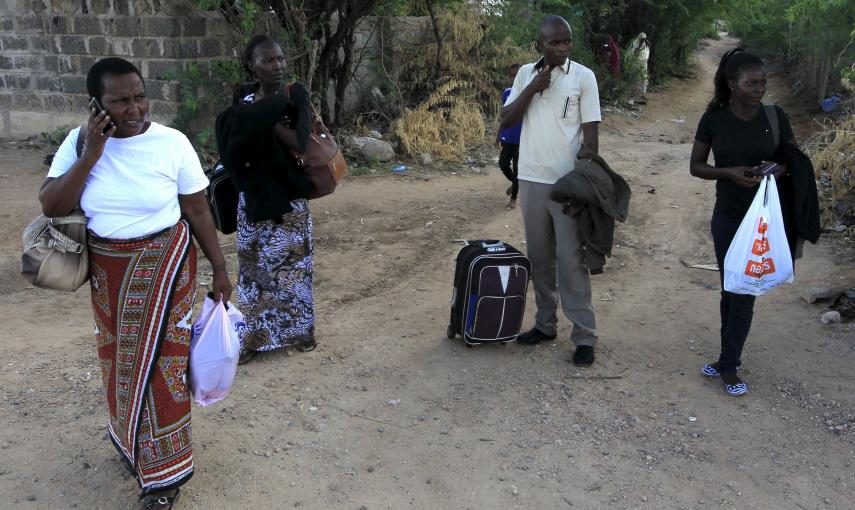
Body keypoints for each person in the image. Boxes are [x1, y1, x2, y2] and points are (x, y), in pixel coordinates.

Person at [39, 57, 232, 509]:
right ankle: (131, 442)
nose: (134, 108)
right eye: (119, 100)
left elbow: (199, 210)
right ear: (95, 105)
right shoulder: (77, 143)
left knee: (165, 370)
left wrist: (220, 268)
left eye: (140, 96)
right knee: (121, 364)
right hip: (109, 276)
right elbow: (52, 204)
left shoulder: (173, 143)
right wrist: (91, 154)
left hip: (167, 268)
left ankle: (166, 476)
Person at [690, 48, 804, 396]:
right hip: (728, 216)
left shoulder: (774, 115)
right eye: (751, 83)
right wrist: (728, 172)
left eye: (763, 82)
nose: (759, 89)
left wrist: (775, 169)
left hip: (764, 220)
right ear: (731, 83)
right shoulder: (714, 118)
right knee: (730, 287)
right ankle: (727, 355)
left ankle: (729, 363)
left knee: (745, 291)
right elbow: (696, 166)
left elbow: (792, 158)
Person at [499, 15, 602, 366]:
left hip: (567, 185)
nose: (561, 48)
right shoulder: (526, 73)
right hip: (530, 179)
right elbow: (506, 121)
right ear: (539, 44)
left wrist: (581, 176)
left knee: (572, 261)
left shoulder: (583, 77)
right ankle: (545, 324)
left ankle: (585, 336)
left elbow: (591, 139)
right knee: (540, 260)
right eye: (554, 42)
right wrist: (532, 87)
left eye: (566, 42)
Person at [215, 35, 317, 365]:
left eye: (281, 59)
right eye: (269, 60)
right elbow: (232, 136)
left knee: (293, 272)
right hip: (253, 198)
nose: (278, 65)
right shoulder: (242, 96)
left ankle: (301, 330)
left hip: (288, 201)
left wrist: (265, 118)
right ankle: (255, 338)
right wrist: (262, 115)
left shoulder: (294, 93)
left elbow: (300, 141)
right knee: (253, 272)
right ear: (252, 65)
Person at [496, 63, 522, 209]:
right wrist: (499, 135)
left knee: (518, 168)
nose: (514, 78)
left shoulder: (529, 93)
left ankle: (513, 200)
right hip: (508, 136)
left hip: (522, 138)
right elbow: (504, 116)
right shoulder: (507, 93)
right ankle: (514, 183)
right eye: (512, 75)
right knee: (503, 164)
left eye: (517, 75)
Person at [629, 32, 650, 100]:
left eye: (644, 39)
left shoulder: (646, 45)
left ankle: (643, 93)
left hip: (644, 63)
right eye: (642, 39)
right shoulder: (634, 44)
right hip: (636, 63)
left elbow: (647, 53)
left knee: (644, 78)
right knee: (634, 78)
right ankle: (633, 92)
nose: (643, 40)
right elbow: (631, 54)